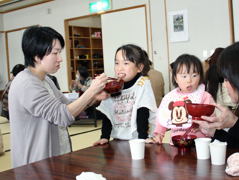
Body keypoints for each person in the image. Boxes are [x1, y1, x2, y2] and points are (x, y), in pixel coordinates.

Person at [8, 26, 108, 168]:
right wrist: (91, 91)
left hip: (54, 158)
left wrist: (95, 97)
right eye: (55, 53)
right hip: (34, 164)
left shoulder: (45, 79)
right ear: (37, 56)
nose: (60, 59)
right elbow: (62, 116)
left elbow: (68, 106)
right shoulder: (26, 83)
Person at [93, 44, 157, 145]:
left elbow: (142, 111)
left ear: (139, 67)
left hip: (138, 138)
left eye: (126, 63)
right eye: (117, 63)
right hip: (119, 139)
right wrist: (104, 136)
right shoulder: (113, 85)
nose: (120, 68)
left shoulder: (142, 83)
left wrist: (142, 138)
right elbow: (108, 113)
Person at [146, 54, 215, 144]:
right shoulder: (170, 98)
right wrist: (159, 134)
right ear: (176, 78)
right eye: (184, 76)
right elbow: (162, 118)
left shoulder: (205, 96)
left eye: (194, 75)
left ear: (200, 76)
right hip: (176, 143)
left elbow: (213, 120)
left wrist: (203, 125)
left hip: (200, 144)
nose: (189, 80)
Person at [205, 47, 236, 113]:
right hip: (224, 116)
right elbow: (231, 101)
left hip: (211, 114)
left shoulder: (207, 74)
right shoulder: (222, 75)